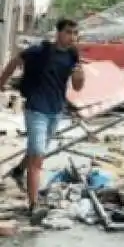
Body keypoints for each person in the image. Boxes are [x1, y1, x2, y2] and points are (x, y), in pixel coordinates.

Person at [0, 18, 85, 220]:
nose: (72, 37)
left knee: (36, 152)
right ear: (58, 33)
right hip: (36, 109)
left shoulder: (73, 56)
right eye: (68, 32)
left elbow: (78, 87)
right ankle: (34, 205)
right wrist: (1, 83)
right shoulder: (40, 51)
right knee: (38, 157)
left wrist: (79, 73)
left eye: (75, 33)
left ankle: (18, 171)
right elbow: (15, 60)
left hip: (56, 111)